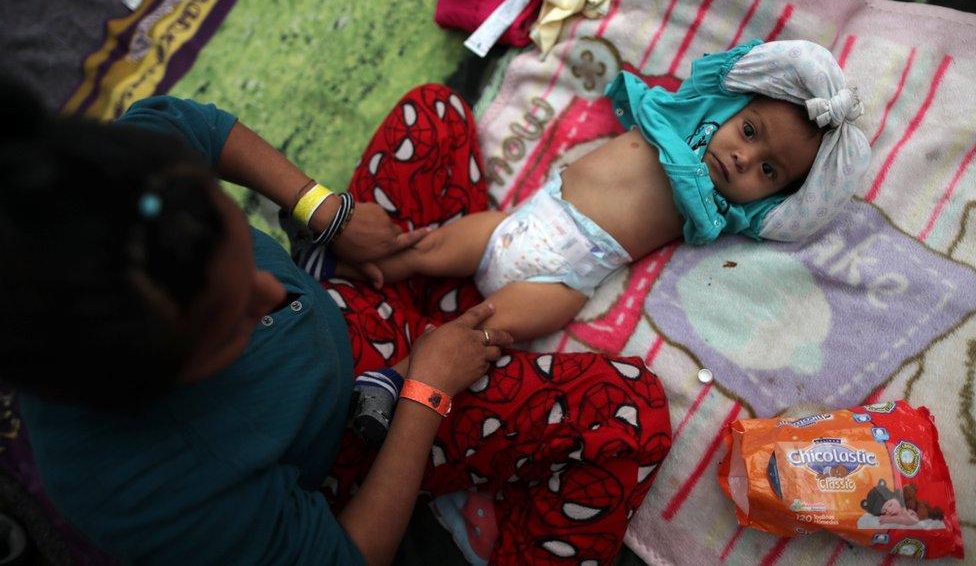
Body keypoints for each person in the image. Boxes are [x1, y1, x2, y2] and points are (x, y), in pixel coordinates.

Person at [0, 81, 672, 565]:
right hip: (365, 436)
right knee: (629, 413)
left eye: (244, 246)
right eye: (235, 324)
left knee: (432, 115)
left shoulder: (110, 194)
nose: (273, 289)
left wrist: (324, 211)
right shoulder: (150, 489)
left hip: (357, 305)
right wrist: (425, 392)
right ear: (148, 384)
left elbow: (190, 124)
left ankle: (415, 313)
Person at [352, 40, 872, 344]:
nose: (743, 158)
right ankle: (355, 278)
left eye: (768, 171)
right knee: (426, 248)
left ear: (773, 196)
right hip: (521, 220)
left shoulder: (722, 211)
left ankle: (404, 372)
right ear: (731, 109)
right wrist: (814, 83)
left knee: (477, 335)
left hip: (563, 278)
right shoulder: (685, 112)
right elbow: (740, 68)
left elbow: (799, 216)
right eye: (750, 132)